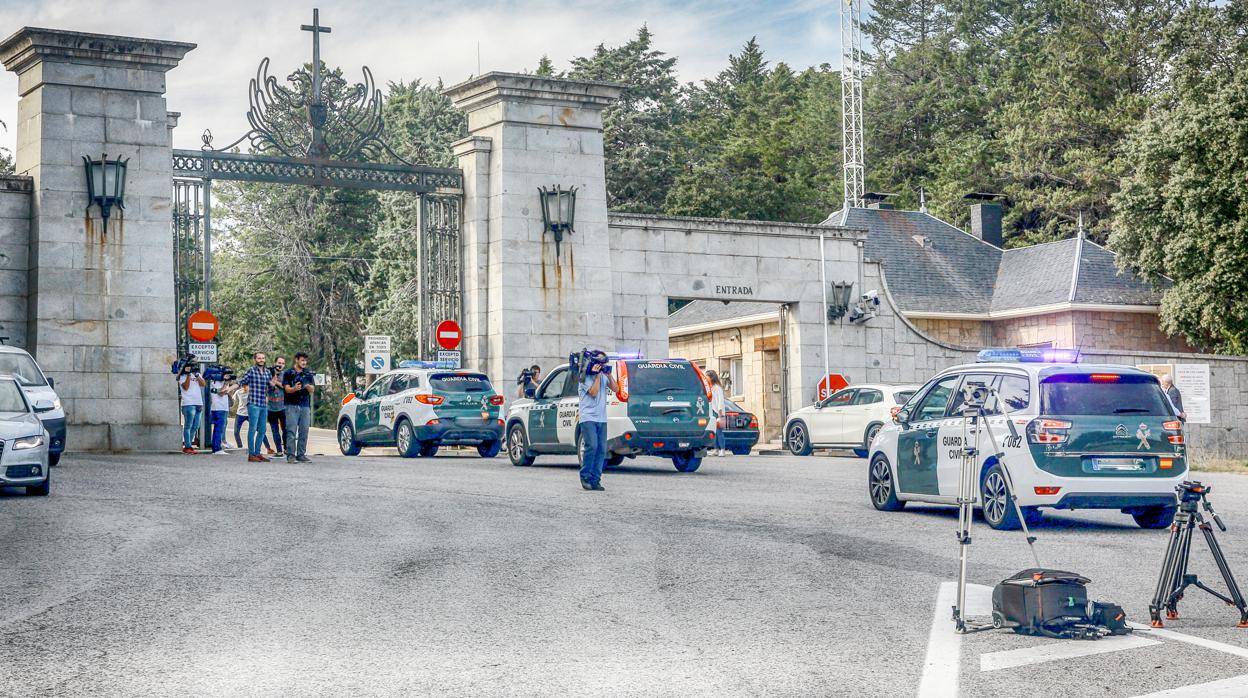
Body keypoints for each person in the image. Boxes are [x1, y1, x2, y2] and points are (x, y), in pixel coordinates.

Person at [577, 354, 617, 491]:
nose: (602, 367)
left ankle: (595, 480)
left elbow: (616, 389)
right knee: (592, 446)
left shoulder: (604, 376)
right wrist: (598, 375)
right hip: (588, 417)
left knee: (601, 450)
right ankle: (585, 477)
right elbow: (593, 392)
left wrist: (609, 375)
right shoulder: (584, 378)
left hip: (601, 418)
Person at [239, 352, 276, 462]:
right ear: (255, 360)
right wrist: (231, 388)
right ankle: (251, 454)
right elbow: (242, 381)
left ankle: (257, 452)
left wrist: (274, 381)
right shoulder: (251, 370)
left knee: (262, 430)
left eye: (263, 358)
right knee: (252, 429)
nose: (261, 360)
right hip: (253, 404)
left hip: (263, 405)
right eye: (259, 358)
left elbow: (270, 387)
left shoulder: (267, 372)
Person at [282, 352, 316, 463]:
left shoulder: (308, 374)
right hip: (291, 405)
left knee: (304, 430)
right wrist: (294, 389)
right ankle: (291, 455)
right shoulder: (288, 373)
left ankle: (301, 454)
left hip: (305, 405)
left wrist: (306, 385)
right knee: (291, 430)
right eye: (302, 360)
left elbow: (312, 389)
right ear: (296, 360)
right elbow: (286, 389)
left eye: (305, 361)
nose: (304, 363)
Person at [178, 359, 206, 455]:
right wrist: (189, 375)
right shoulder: (181, 376)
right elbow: (186, 387)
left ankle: (189, 445)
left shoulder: (197, 374)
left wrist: (197, 375)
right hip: (188, 403)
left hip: (198, 403)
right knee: (188, 426)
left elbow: (203, 384)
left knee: (196, 426)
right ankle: (187, 446)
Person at [208, 371, 238, 456]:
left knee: (220, 429)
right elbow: (221, 392)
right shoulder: (215, 381)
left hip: (223, 407)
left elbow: (227, 392)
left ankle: (217, 447)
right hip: (218, 407)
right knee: (219, 429)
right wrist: (226, 383)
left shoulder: (221, 381)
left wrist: (228, 384)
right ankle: (217, 449)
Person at [267, 356, 288, 457]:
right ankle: (279, 451)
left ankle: (287, 449)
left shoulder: (286, 375)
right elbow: (266, 387)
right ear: (275, 363)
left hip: (283, 407)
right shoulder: (268, 373)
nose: (280, 365)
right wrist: (272, 380)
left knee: (285, 429)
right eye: (279, 363)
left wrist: (276, 382)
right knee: (275, 430)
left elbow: (286, 387)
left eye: (282, 363)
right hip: (271, 407)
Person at [708, 369, 728, 457]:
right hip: (712, 411)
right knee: (713, 432)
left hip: (718, 412)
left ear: (711, 377)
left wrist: (720, 412)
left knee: (719, 432)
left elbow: (720, 401)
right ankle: (715, 449)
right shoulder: (710, 387)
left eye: (707, 377)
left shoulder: (717, 388)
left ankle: (722, 449)